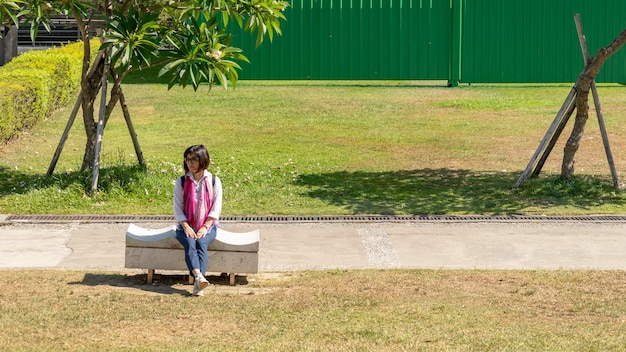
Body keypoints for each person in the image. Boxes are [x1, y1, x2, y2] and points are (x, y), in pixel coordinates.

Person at [173, 145, 223, 296]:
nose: (190, 163)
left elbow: (216, 208)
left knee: (201, 242)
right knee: (189, 242)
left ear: (203, 160)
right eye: (188, 159)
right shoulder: (181, 181)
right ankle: (199, 277)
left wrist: (205, 227)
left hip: (208, 225)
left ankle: (198, 282)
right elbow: (177, 207)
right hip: (185, 225)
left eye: (194, 159)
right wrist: (186, 226)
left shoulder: (214, 180)